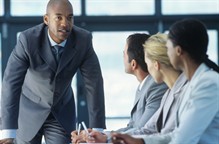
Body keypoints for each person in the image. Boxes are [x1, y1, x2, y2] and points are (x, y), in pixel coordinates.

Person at [0, 0, 106, 144]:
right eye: (59, 17)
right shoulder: (27, 40)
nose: (65, 23)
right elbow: (11, 83)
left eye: (70, 18)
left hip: (61, 111)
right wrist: (7, 131)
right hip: (28, 111)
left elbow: (94, 83)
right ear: (46, 20)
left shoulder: (83, 40)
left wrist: (98, 129)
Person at [111, 18, 219, 144]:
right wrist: (139, 141)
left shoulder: (207, 83)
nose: (166, 54)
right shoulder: (190, 84)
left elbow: (182, 139)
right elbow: (172, 135)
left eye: (168, 48)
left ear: (178, 51)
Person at [71, 33, 168, 143]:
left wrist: (106, 138)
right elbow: (132, 126)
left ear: (133, 64)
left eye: (124, 53)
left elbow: (144, 130)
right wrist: (99, 135)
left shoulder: (155, 86)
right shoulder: (143, 87)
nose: (122, 56)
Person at [129, 33, 188, 135]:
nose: (147, 69)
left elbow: (176, 137)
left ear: (156, 65)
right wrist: (110, 138)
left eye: (147, 64)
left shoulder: (188, 91)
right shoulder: (167, 94)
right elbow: (149, 129)